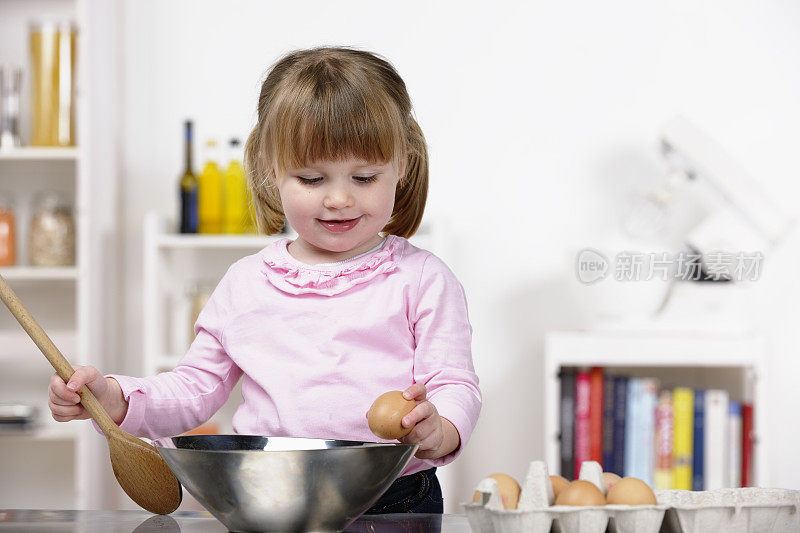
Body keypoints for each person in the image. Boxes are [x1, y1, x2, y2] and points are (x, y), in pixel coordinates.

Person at [48, 46, 481, 514]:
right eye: (312, 179)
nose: (338, 198)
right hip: (270, 498)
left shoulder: (423, 280)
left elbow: (454, 383)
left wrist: (440, 428)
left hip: (394, 498)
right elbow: (197, 386)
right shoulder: (246, 283)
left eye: (364, 176)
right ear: (270, 171)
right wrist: (117, 398)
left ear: (402, 164)